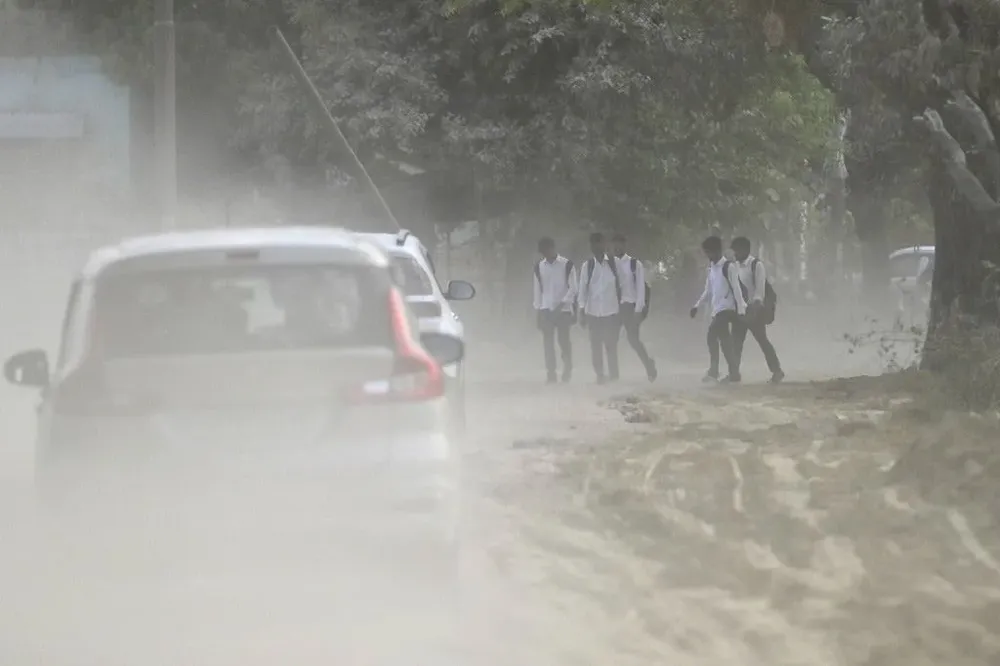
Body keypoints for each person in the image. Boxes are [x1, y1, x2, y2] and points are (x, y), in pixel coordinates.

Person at [689, 235, 746, 383]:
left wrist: (741, 310)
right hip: (717, 310)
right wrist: (697, 305)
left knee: (711, 336)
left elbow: (736, 289)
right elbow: (708, 291)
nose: (708, 255)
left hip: (727, 310)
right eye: (706, 252)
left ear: (717, 251)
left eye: (709, 252)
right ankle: (734, 373)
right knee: (725, 342)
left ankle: (714, 371)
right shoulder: (711, 269)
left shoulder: (729, 267)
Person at [730, 237, 784, 383]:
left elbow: (760, 291)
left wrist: (753, 310)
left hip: (755, 311)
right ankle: (734, 374)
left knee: (762, 341)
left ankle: (777, 371)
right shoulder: (734, 266)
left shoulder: (756, 265)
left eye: (737, 250)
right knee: (736, 343)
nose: (735, 254)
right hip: (741, 310)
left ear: (745, 250)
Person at [611, 233, 657, 381]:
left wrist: (639, 310)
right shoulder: (609, 264)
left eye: (619, 245)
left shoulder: (634, 264)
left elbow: (641, 289)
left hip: (630, 306)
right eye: (614, 245)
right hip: (614, 306)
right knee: (611, 339)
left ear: (624, 246)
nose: (617, 248)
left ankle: (648, 365)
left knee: (633, 340)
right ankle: (614, 374)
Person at [532, 237, 578, 383]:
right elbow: (538, 290)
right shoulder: (539, 267)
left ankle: (567, 367)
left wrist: (563, 304)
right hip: (546, 308)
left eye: (547, 251)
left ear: (552, 248)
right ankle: (551, 372)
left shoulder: (567, 265)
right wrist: (538, 310)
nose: (545, 254)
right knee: (548, 343)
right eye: (543, 252)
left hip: (563, 310)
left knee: (563, 341)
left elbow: (573, 288)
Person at [578, 232, 621, 384]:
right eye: (594, 243)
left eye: (600, 243)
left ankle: (614, 375)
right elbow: (582, 289)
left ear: (605, 245)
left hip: (612, 311)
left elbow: (622, 286)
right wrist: (581, 311)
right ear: (591, 246)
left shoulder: (615, 264)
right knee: (596, 345)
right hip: (593, 312)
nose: (597, 246)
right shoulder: (587, 266)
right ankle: (600, 375)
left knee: (611, 344)